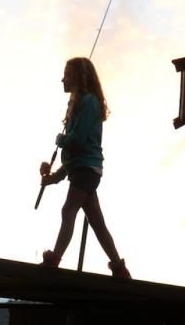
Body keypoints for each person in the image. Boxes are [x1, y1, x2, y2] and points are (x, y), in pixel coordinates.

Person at [39, 57, 130, 278]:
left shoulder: (88, 103)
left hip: (86, 170)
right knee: (97, 222)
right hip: (84, 169)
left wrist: (60, 140)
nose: (62, 79)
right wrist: (55, 177)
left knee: (68, 210)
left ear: (78, 77)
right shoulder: (79, 104)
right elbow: (74, 157)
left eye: (67, 74)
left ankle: (54, 260)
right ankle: (119, 268)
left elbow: (78, 141)